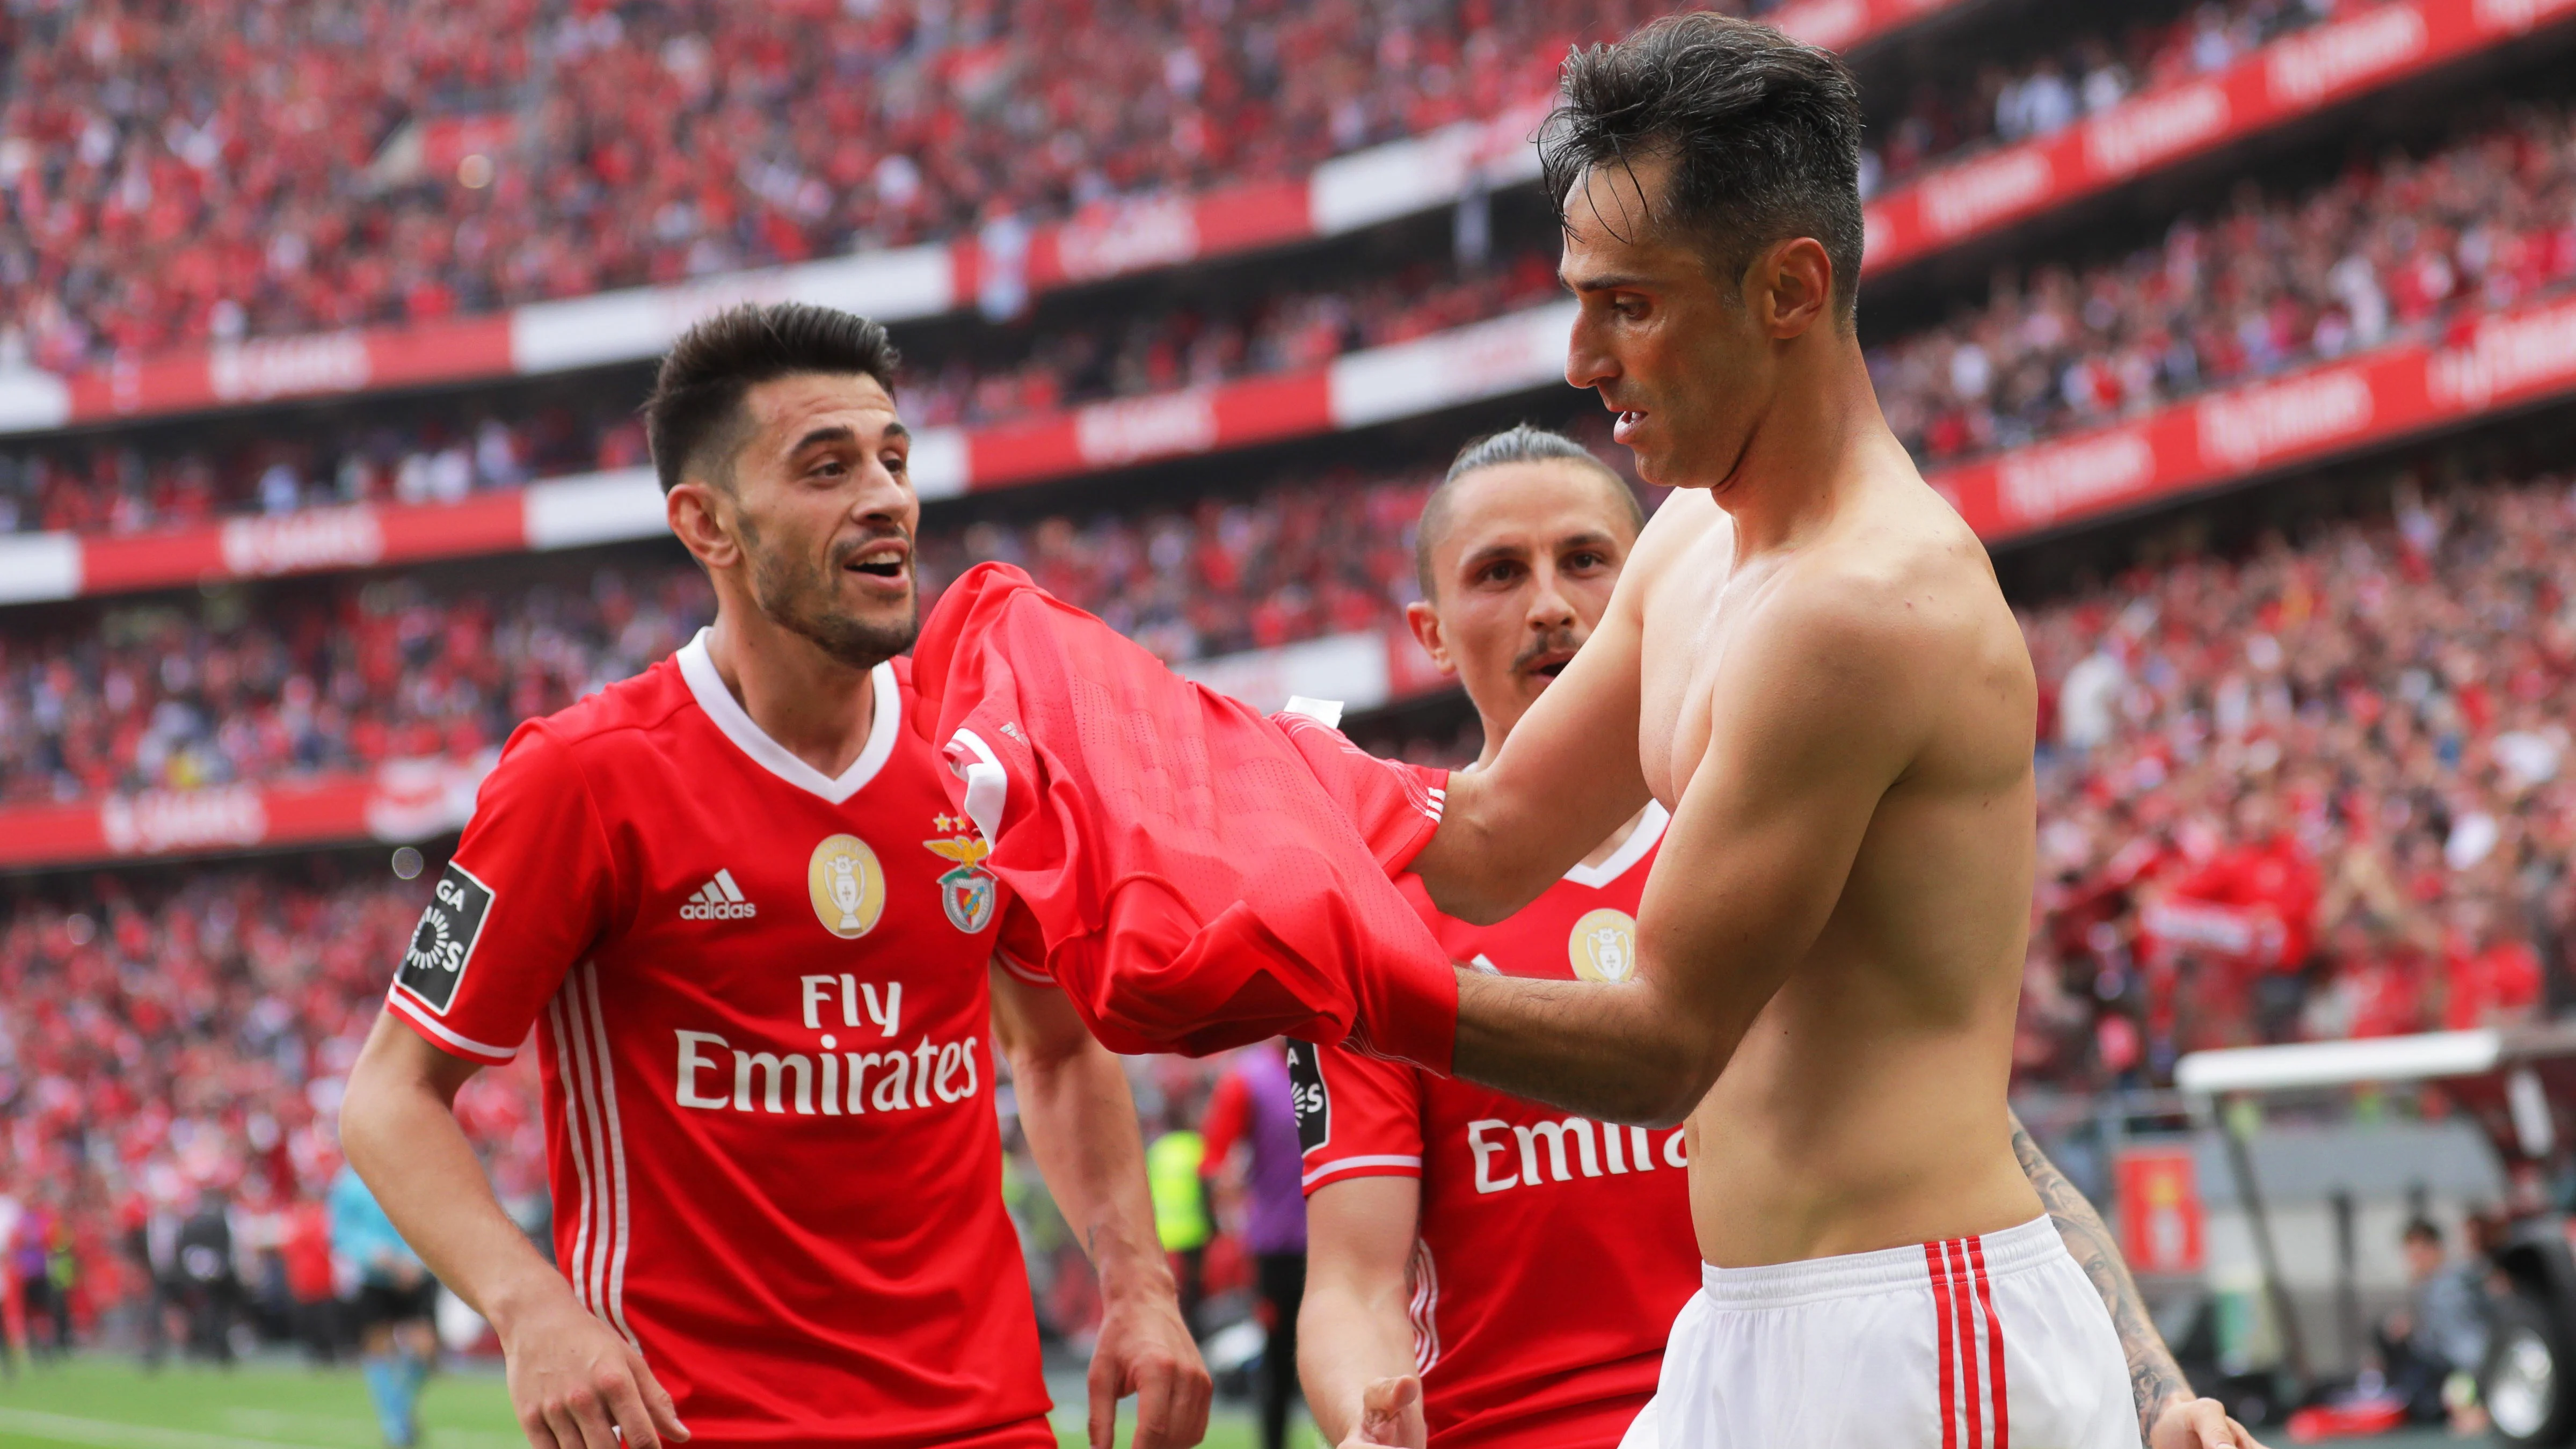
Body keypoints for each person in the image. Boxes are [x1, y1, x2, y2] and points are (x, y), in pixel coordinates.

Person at [1383, 17, 2262, 1448]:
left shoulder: (1861, 606)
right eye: (1577, 299)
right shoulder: (1683, 542)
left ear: (1786, 288)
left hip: (1916, 1338)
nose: (1579, 356)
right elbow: (1481, 844)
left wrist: (1314, 966)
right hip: (1740, 1324)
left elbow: (1663, 1043)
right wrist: (1192, 796)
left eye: (1628, 305)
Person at [339, 302, 1208, 1449]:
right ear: (708, 524)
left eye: (894, 458)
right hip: (688, 1422)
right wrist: (531, 1307)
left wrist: (1138, 1279)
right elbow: (389, 1095)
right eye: (827, 465)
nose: (886, 495)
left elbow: (1053, 1044)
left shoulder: (980, 760)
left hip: (983, 1415)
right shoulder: (580, 777)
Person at [1300, 426, 2247, 1449]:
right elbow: (1352, 1274)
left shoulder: (1772, 832)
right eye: (1497, 572)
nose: (1547, 603)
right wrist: (1364, 1414)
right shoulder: (1388, 904)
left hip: (1806, 1403)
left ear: (1643, 602)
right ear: (1430, 631)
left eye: (1584, 561)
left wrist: (2155, 1387)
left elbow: (1975, 1134)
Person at [1200, 1042, 1309, 1449]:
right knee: (1280, 1362)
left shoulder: (1340, 1064)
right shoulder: (1248, 1078)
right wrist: (1230, 1217)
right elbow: (1214, 1159)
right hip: (1277, 1249)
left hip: (1340, 1242)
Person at [331, 1164, 439, 1448]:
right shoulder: (349, 1184)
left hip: (415, 1274)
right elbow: (342, 1234)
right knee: (378, 1348)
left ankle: (398, 1410)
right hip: (375, 1278)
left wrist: (414, 1262)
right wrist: (377, 1256)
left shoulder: (413, 1173)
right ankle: (395, 1424)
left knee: (425, 1349)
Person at [2377, 1218, 2491, 1424]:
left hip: (2466, 1377)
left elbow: (2470, 1350)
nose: (2414, 1261)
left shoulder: (2448, 1291)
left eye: (2419, 1254)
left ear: (2436, 1250)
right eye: (2410, 1255)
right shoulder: (2432, 1288)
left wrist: (2479, 1402)